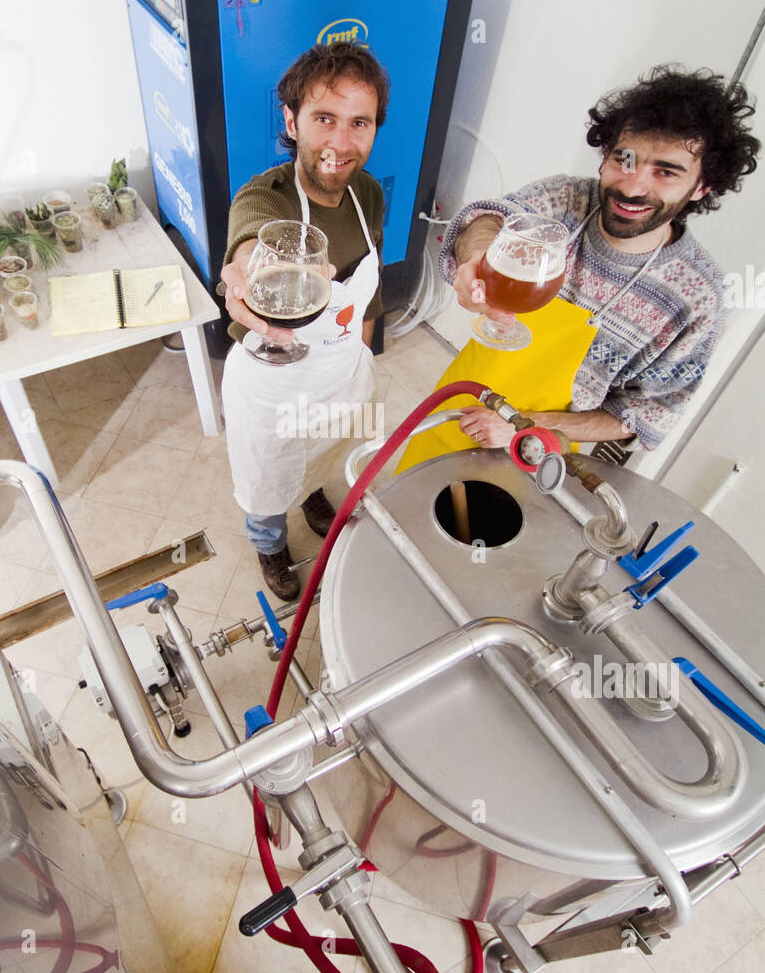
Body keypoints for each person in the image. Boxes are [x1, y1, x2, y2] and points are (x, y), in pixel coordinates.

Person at [398, 66, 759, 471]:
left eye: (665, 172)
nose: (633, 185)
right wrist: (476, 258)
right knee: (409, 490)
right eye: (624, 159)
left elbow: (640, 417)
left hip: (540, 445)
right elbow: (488, 218)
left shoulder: (697, 299)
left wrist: (524, 425)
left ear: (701, 187)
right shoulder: (566, 200)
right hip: (463, 400)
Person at [220, 42, 390, 600]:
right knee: (270, 474)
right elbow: (249, 240)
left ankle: (313, 492)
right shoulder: (265, 199)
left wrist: (361, 354)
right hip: (275, 380)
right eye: (324, 119)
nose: (341, 143)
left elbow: (367, 289)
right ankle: (268, 544)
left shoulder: (366, 193)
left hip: (337, 371)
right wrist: (244, 273)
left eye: (358, 123)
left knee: (326, 451)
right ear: (291, 122)